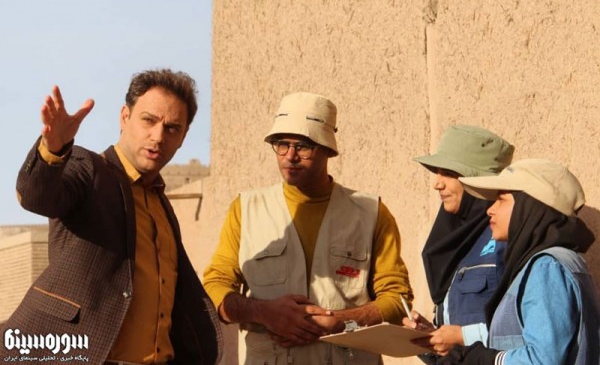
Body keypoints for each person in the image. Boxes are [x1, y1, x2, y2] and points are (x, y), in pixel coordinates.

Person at [1, 69, 222, 364]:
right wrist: (53, 151)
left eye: (172, 128)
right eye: (149, 120)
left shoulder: (162, 206)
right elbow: (36, 196)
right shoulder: (89, 169)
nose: (158, 136)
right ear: (124, 117)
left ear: (183, 137)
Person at [203, 92, 413, 364]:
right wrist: (263, 312)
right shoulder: (246, 209)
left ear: (328, 150)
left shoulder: (371, 212)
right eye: (282, 144)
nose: (290, 156)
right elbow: (215, 286)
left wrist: (342, 322)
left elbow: (398, 299)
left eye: (303, 146)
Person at [439, 158, 600, 364]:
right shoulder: (550, 263)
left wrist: (487, 360)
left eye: (501, 200)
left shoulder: (547, 267)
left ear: (529, 207)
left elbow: (542, 359)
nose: (490, 209)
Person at [404, 125, 514, 360]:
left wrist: (462, 336)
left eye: (448, 173)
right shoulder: (457, 240)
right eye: (437, 173)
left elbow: (523, 330)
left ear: (477, 180)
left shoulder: (506, 237)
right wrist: (431, 337)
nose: (437, 184)